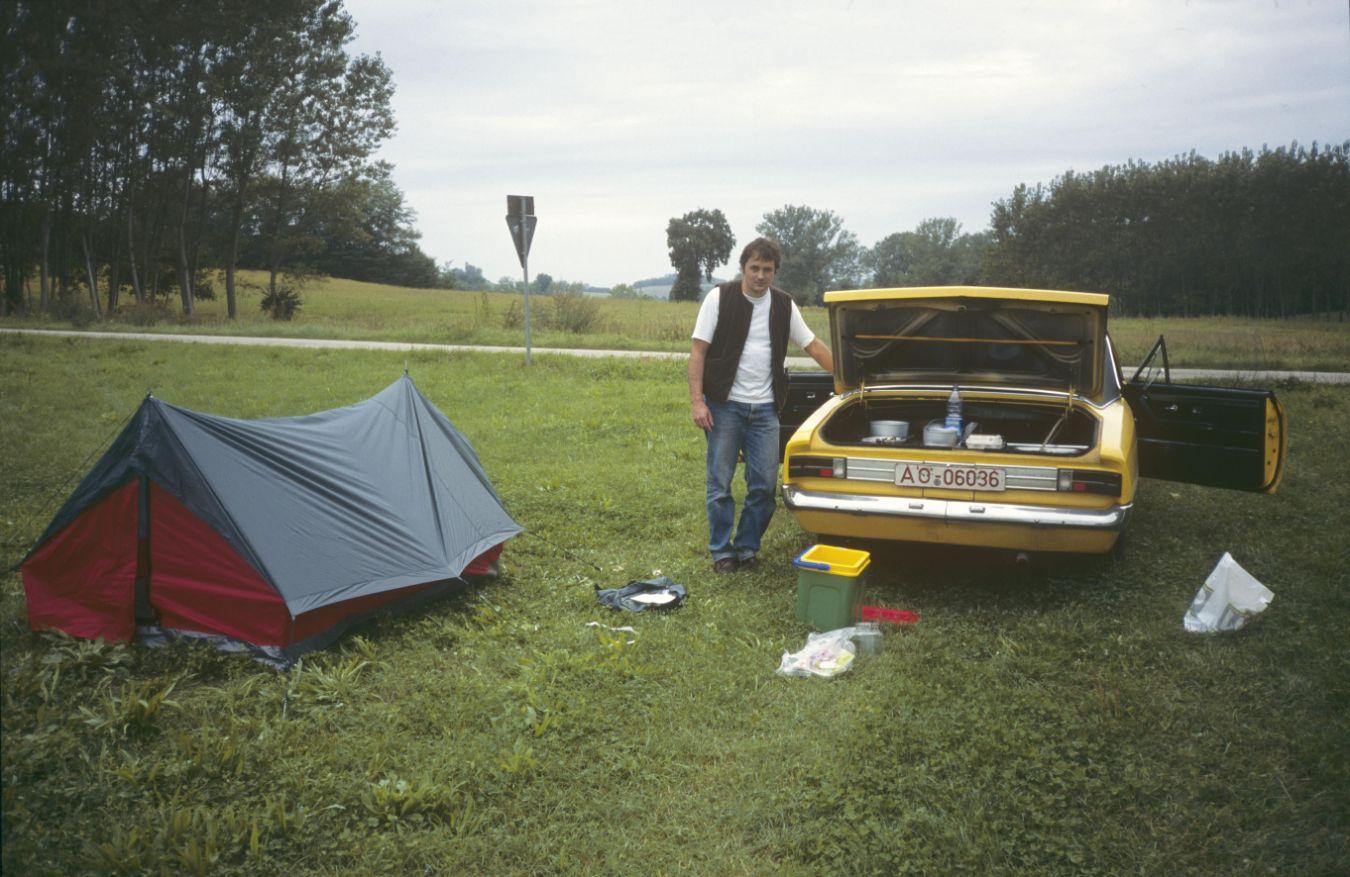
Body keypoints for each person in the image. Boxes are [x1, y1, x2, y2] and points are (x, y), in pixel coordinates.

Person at [688, 237, 834, 574]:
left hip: (766, 410)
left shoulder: (784, 305)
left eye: (767, 269)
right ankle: (721, 552)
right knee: (720, 484)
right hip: (724, 406)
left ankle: (747, 548)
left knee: (764, 487)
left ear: (774, 271)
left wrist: (846, 376)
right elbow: (698, 352)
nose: (760, 276)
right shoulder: (719, 298)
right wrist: (698, 401)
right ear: (743, 268)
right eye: (754, 268)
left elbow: (812, 345)